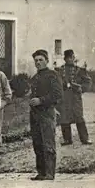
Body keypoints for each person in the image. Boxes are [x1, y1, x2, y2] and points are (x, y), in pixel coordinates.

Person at [29, 49, 63, 181]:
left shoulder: (53, 75)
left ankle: (49, 173)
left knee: (48, 143)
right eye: (36, 60)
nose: (38, 62)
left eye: (40, 60)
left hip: (47, 113)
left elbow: (57, 95)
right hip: (35, 115)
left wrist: (41, 100)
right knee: (37, 143)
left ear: (47, 61)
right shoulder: (35, 78)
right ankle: (41, 172)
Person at [56, 49, 93, 145]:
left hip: (75, 98)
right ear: (65, 59)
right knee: (64, 117)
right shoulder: (60, 70)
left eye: (71, 57)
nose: (70, 59)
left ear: (73, 57)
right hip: (64, 98)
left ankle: (85, 138)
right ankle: (67, 139)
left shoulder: (80, 70)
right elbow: (55, 83)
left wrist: (81, 88)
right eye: (68, 58)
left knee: (79, 117)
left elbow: (88, 82)